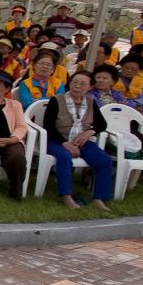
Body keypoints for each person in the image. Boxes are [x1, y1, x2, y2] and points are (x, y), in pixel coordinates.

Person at [43, 72, 113, 210]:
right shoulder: (57, 100)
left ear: (90, 86)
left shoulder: (90, 102)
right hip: (57, 140)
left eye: (83, 83)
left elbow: (101, 124)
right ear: (69, 83)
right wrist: (65, 143)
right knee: (64, 157)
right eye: (75, 82)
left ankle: (99, 198)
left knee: (105, 160)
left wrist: (89, 132)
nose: (77, 86)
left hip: (81, 142)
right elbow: (48, 127)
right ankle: (66, 195)